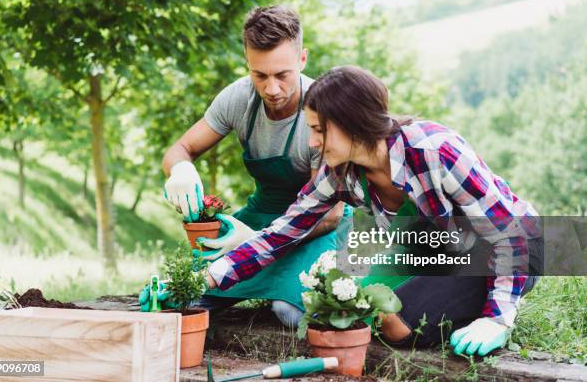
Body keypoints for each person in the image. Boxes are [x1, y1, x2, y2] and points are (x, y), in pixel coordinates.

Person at [201, 66, 542, 356]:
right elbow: (283, 232)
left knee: (394, 327)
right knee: (363, 309)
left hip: (512, 247)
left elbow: (508, 235)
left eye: (320, 130)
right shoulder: (340, 172)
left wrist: (497, 318)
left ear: (352, 123)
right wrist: (210, 276)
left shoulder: (435, 150)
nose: (313, 143)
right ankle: (455, 299)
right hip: (444, 248)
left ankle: (496, 301)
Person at [145, 6, 347, 327]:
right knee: (185, 295)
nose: (271, 89)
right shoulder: (238, 99)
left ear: (302, 59)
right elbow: (180, 149)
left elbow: (328, 213)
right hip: (259, 217)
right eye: (259, 75)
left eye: (282, 75)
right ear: (247, 62)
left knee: (290, 311)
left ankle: (279, 291)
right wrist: (180, 168)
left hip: (317, 227)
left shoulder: (323, 112)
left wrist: (255, 240)